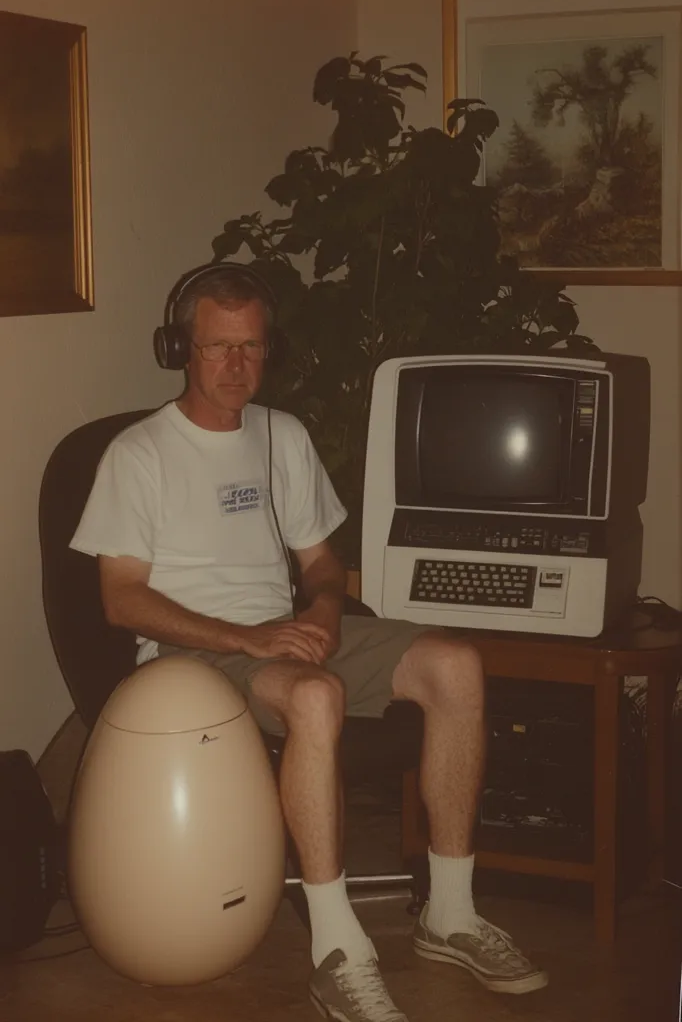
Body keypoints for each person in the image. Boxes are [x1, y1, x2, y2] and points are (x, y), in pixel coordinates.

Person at [71, 264, 548, 1021]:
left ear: (271, 350)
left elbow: (323, 563)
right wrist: (247, 637)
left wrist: (324, 609)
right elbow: (120, 600)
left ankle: (450, 914)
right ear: (180, 350)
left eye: (253, 347)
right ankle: (336, 947)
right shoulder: (139, 455)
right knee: (318, 697)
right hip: (193, 657)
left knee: (456, 664)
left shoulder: (282, 437)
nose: (237, 367)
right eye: (219, 347)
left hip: (283, 638)